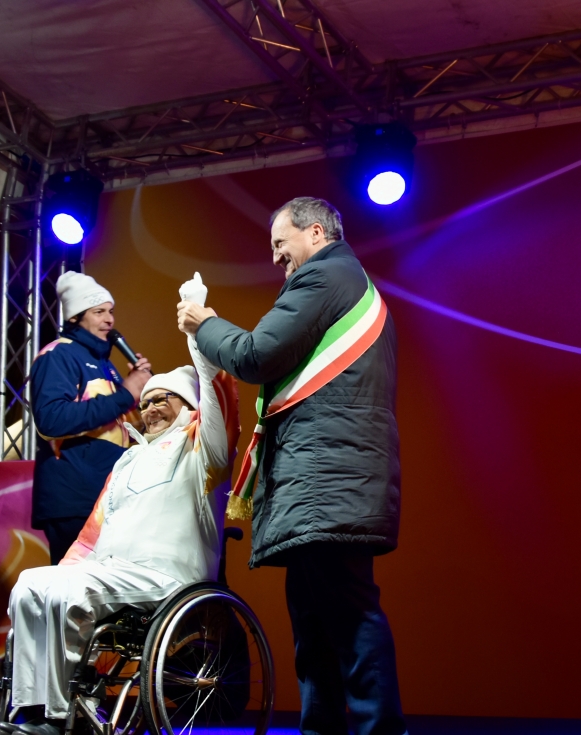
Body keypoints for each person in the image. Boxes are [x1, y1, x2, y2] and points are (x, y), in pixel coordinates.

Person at [177, 197, 406, 735]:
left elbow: (256, 355)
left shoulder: (324, 280)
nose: (279, 260)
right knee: (318, 629)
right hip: (329, 480)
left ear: (318, 233)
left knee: (347, 623)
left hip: (326, 481)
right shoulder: (350, 285)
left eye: (282, 245)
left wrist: (205, 323)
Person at [0, 328, 240, 735]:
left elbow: (217, 402)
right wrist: (66, 570)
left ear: (190, 406)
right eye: (145, 401)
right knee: (30, 585)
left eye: (165, 398)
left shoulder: (202, 448)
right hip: (113, 571)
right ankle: (31, 710)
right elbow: (89, 537)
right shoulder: (126, 461)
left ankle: (57, 719)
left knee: (71, 591)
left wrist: (198, 336)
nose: (152, 407)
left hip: (169, 578)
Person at [30, 271, 152, 563]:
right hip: (75, 500)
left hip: (106, 497)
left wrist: (144, 393)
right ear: (74, 318)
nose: (109, 320)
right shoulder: (58, 355)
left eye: (110, 312)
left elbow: (119, 429)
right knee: (77, 596)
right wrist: (125, 394)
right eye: (99, 312)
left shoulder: (107, 366)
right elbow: (51, 419)